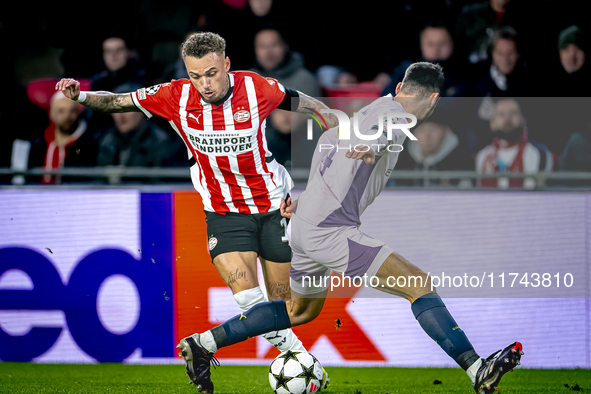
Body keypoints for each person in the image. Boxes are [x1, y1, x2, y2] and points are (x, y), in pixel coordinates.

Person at [175, 62, 523, 394]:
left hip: (304, 225)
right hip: (330, 231)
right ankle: (477, 369)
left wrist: (307, 200)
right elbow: (386, 133)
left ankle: (202, 343)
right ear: (433, 100)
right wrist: (372, 148)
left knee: (299, 311)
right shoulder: (398, 116)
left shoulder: (369, 110)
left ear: (400, 86)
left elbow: (327, 145)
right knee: (418, 284)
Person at [55, 31, 336, 393]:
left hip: (273, 208)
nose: (204, 84)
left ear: (226, 65)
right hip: (223, 215)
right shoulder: (173, 96)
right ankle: (297, 367)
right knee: (250, 300)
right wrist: (83, 96)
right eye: (195, 75)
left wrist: (331, 164)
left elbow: (317, 109)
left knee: (289, 311)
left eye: (211, 73)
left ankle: (216, 346)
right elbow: (116, 102)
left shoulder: (257, 88)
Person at [475, 98, 553, 189]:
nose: (507, 119)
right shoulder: (483, 156)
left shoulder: (539, 153)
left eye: (513, 113)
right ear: (493, 123)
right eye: (501, 114)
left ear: (523, 120)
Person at [28, 91, 97, 184]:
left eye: (72, 111)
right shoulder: (38, 145)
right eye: (61, 111)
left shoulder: (88, 146)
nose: (67, 116)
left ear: (78, 112)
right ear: (51, 113)